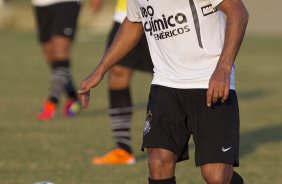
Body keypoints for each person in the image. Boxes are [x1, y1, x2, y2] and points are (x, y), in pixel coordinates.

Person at [79, 0, 248, 183]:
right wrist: (100, 70)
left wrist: (223, 68)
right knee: (158, 162)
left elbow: (239, 13)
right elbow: (134, 22)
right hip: (165, 83)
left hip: (209, 81)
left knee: (215, 176)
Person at [89, 0, 153, 165]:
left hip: (164, 13)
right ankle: (123, 148)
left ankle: (210, 138)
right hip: (126, 12)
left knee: (174, 73)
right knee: (117, 71)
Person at [32, 0, 102, 121]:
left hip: (66, 2)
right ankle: (73, 97)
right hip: (40, 4)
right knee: (52, 57)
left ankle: (52, 101)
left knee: (61, 52)